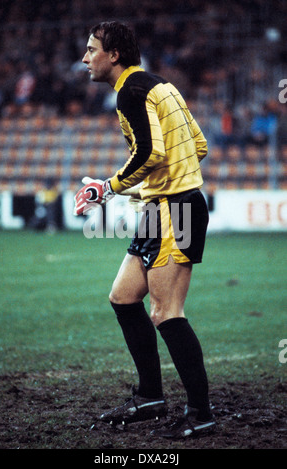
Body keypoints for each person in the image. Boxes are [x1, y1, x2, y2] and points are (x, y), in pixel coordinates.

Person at [74, 21, 215, 439]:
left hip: (177, 212)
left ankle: (201, 413)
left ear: (113, 54)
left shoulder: (129, 92)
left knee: (166, 312)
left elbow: (150, 152)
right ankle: (151, 396)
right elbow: (199, 146)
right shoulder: (164, 87)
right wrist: (155, 189)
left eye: (90, 49)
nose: (85, 59)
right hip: (162, 207)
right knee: (123, 297)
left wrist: (109, 187)